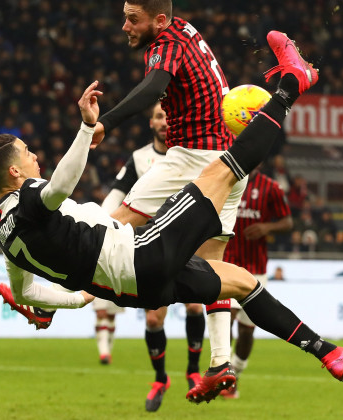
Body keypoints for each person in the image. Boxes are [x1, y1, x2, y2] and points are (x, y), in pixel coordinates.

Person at [0, 33, 343, 404]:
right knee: (224, 168)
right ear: (13, 173)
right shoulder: (29, 195)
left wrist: (58, 306)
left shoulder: (4, 234)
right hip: (142, 254)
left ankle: (328, 353)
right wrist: (85, 128)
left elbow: (27, 293)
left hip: (136, 291)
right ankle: (291, 84)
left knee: (242, 283)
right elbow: (60, 185)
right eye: (26, 152)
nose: (33, 157)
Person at [90, 0, 243, 400]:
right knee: (215, 269)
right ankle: (220, 364)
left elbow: (154, 88)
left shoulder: (167, 43)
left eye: (132, 18)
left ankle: (55, 300)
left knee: (119, 224)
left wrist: (105, 122)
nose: (125, 25)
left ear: (159, 19)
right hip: (227, 160)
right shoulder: (186, 30)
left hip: (192, 155)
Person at [91, 103, 206, 412]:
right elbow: (116, 195)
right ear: (151, 123)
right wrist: (98, 227)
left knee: (196, 303)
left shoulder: (195, 153)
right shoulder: (139, 159)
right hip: (152, 244)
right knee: (154, 317)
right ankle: (160, 378)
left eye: (169, 115)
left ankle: (194, 370)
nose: (165, 121)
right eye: (158, 115)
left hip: (190, 239)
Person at [220, 168, 293, 399]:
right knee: (225, 319)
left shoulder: (271, 187)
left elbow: (288, 221)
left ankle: (236, 374)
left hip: (256, 270)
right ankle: (224, 372)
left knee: (246, 330)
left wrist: (267, 227)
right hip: (226, 265)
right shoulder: (224, 177)